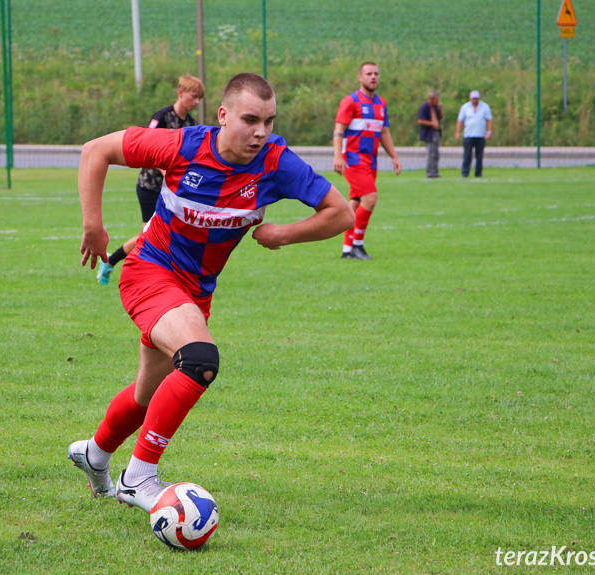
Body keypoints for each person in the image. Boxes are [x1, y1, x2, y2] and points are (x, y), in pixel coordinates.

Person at [68, 73, 354, 512]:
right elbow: (96, 150)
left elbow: (341, 213)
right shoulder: (182, 145)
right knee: (200, 360)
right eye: (250, 119)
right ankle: (137, 477)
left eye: (269, 121)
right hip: (149, 271)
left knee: (148, 397)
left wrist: (284, 235)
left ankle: (96, 453)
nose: (261, 132)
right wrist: (94, 224)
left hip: (195, 291)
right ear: (223, 116)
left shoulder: (275, 163)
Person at [96, 75, 205, 285]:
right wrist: (166, 171)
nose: (197, 102)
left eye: (199, 98)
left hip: (173, 191)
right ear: (180, 92)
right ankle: (113, 262)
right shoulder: (162, 117)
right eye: (194, 96)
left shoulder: (191, 124)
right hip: (150, 187)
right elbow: (146, 147)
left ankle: (169, 276)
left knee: (174, 233)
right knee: (149, 235)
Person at [333, 61, 402, 261]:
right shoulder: (350, 101)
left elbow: (384, 132)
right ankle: (357, 244)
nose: (373, 77)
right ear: (360, 77)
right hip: (353, 159)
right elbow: (339, 131)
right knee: (370, 199)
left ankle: (347, 249)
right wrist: (337, 155)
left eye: (376, 73)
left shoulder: (381, 104)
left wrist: (394, 156)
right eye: (369, 73)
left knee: (354, 203)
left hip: (371, 161)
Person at [455, 90, 493, 178]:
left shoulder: (485, 107)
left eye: (476, 98)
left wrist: (489, 131)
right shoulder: (465, 107)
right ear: (470, 98)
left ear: (479, 98)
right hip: (468, 135)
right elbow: (460, 120)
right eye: (473, 98)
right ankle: (465, 173)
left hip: (480, 135)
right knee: (467, 155)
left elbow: (489, 119)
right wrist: (457, 132)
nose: (475, 100)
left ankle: (478, 173)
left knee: (479, 156)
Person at [417, 90, 443, 178]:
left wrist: (441, 108)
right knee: (431, 154)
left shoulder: (436, 107)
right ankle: (430, 173)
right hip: (429, 133)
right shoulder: (424, 107)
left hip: (436, 132)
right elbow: (420, 120)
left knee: (436, 154)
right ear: (431, 99)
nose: (438, 101)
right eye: (436, 100)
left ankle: (435, 172)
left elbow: (441, 117)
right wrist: (432, 123)